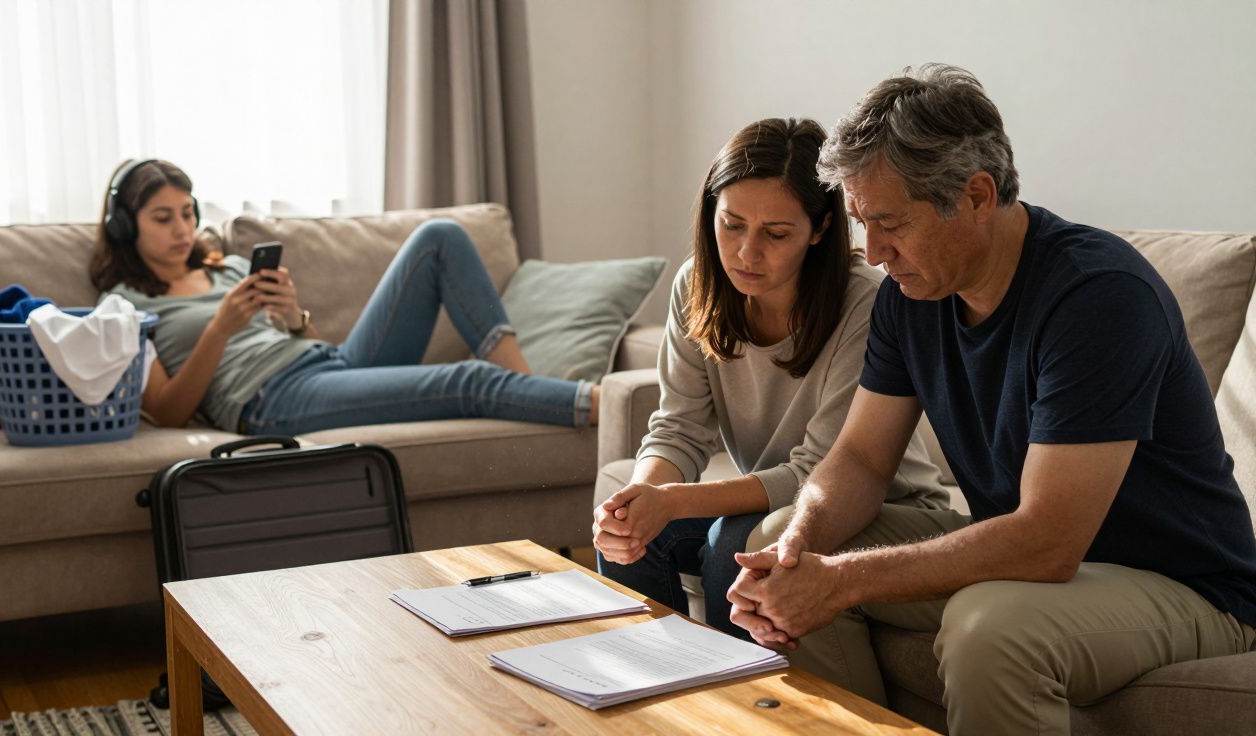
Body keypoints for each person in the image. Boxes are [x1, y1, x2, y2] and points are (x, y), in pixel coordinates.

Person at [726, 65, 1256, 735]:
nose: (874, 252)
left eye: (890, 223)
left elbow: (1047, 542)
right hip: (1032, 558)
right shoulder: (909, 296)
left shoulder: (1099, 297)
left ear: (976, 195)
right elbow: (860, 459)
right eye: (862, 223)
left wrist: (843, 580)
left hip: (1186, 587)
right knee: (780, 538)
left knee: (990, 629)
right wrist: (802, 549)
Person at [592, 118, 948, 638]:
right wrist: (639, 500)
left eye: (776, 234)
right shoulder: (696, 284)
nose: (745, 253)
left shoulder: (866, 303)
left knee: (732, 547)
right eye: (731, 224)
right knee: (630, 536)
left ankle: (739, 709)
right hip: (775, 505)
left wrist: (672, 501)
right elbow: (679, 430)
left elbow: (820, 471)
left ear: (821, 229)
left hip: (877, 509)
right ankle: (658, 702)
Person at [89, 158, 599, 434]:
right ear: (124, 226)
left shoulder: (228, 268)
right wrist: (220, 329)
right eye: (162, 218)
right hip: (268, 400)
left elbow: (309, 342)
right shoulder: (124, 306)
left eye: (186, 213)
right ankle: (596, 405)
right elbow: (168, 410)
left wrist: (292, 316)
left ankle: (526, 390)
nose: (182, 229)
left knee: (438, 237)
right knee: (470, 380)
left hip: (327, 364)